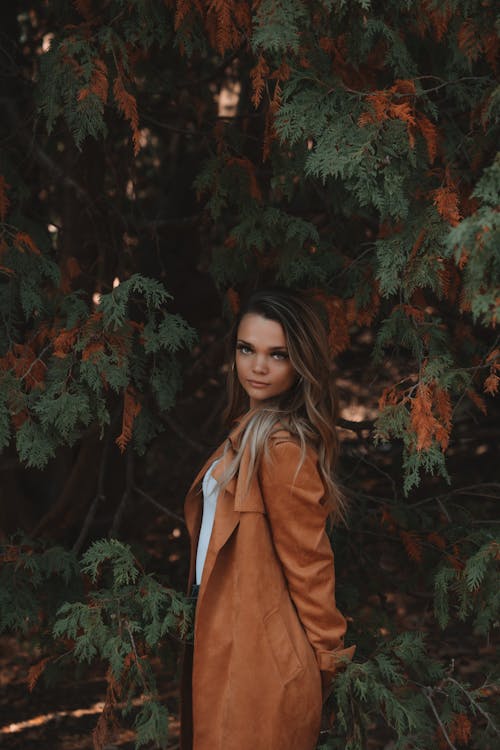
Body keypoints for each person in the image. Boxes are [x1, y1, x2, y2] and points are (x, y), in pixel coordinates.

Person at [180, 288, 356, 750]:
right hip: (225, 639)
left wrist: (328, 662)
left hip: (260, 661)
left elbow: (310, 565)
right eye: (247, 349)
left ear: (301, 364)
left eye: (277, 354)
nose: (257, 367)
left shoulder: (281, 450)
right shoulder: (247, 432)